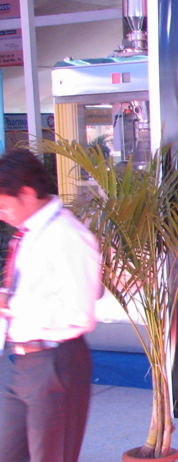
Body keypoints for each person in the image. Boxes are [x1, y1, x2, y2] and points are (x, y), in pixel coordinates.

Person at [0, 148, 102, 462]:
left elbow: (79, 313)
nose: (1, 214)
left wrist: (13, 305)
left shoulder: (67, 235)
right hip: (16, 360)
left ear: (27, 193)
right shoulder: (27, 234)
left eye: (3, 205)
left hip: (54, 362)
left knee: (52, 455)